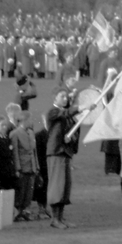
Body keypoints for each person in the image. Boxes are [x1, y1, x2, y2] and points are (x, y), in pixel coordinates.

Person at [46, 89, 79, 229]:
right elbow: (64, 114)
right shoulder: (53, 112)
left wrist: (72, 138)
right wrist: (79, 108)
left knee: (65, 187)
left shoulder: (66, 115)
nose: (65, 99)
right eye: (62, 96)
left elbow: (74, 128)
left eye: (66, 96)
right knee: (57, 186)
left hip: (65, 152)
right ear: (55, 98)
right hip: (56, 152)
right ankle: (54, 219)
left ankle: (60, 218)